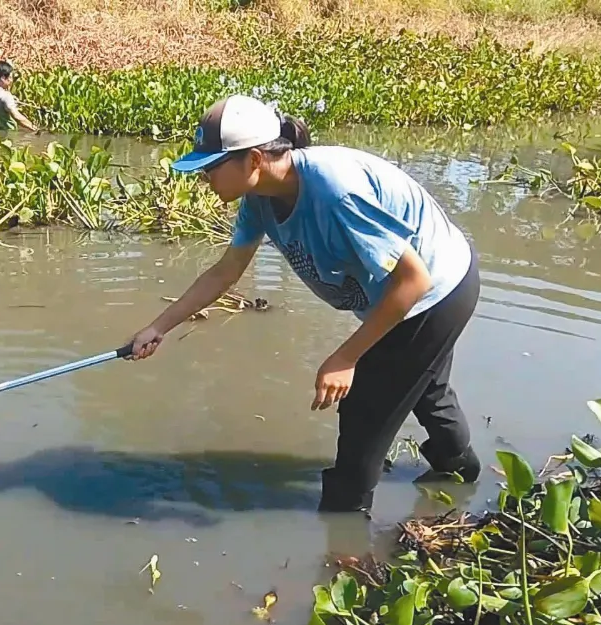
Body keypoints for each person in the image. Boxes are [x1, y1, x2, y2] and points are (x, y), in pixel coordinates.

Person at [125, 94, 482, 515]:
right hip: (414, 290)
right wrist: (158, 327)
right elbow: (225, 272)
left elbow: (413, 279)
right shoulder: (259, 199)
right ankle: (458, 470)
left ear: (254, 159)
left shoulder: (334, 191)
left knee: (365, 406)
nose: (204, 178)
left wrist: (345, 357)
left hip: (436, 291)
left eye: (211, 167)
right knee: (424, 386)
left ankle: (343, 531)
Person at [0, 61, 37, 132]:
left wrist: (10, 102)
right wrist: (33, 128)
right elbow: (17, 117)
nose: (11, 80)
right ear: (3, 78)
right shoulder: (6, 96)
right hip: (7, 134)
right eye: (10, 77)